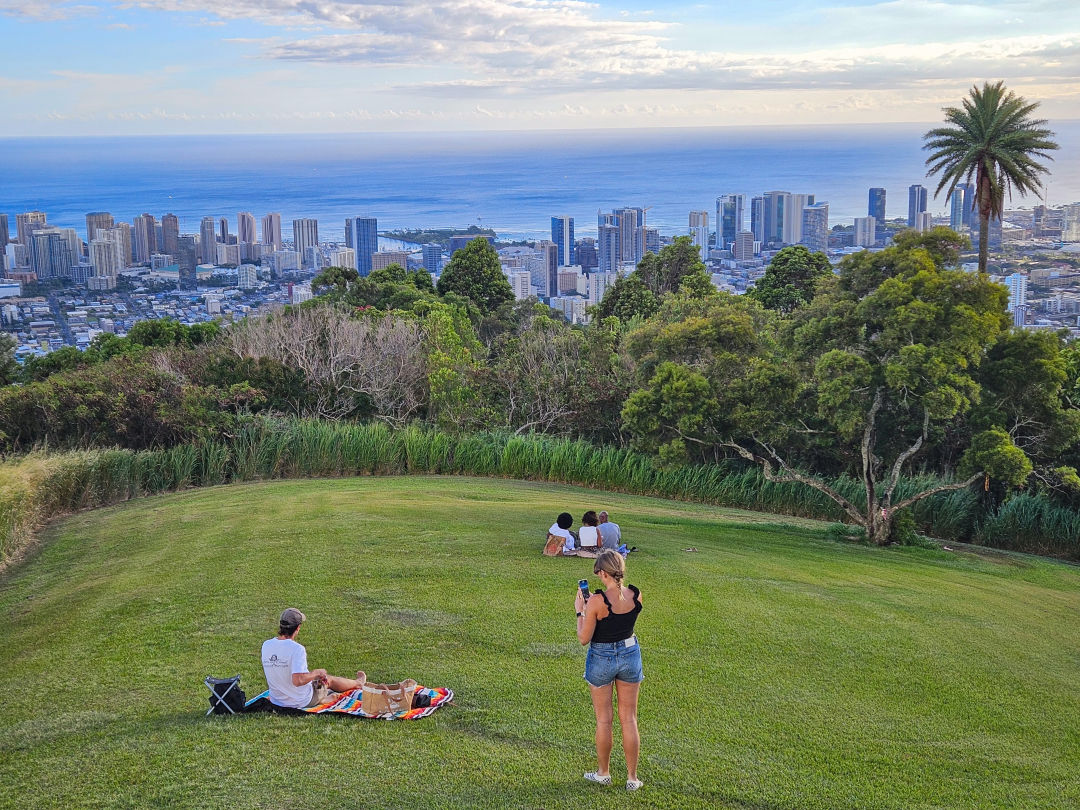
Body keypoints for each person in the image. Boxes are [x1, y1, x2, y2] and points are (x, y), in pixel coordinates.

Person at [574, 549, 644, 791]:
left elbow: (584, 638)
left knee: (604, 720)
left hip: (602, 657)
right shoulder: (636, 595)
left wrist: (580, 610)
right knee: (629, 718)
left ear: (602, 572)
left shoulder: (595, 601)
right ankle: (632, 778)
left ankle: (603, 773)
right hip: (630, 654)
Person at [261, 608, 366, 709]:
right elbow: (298, 680)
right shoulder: (297, 649)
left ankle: (323, 698)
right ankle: (358, 683)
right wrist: (316, 673)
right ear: (298, 628)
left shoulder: (266, 645)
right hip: (300, 701)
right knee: (328, 680)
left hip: (277, 700)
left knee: (313, 679)